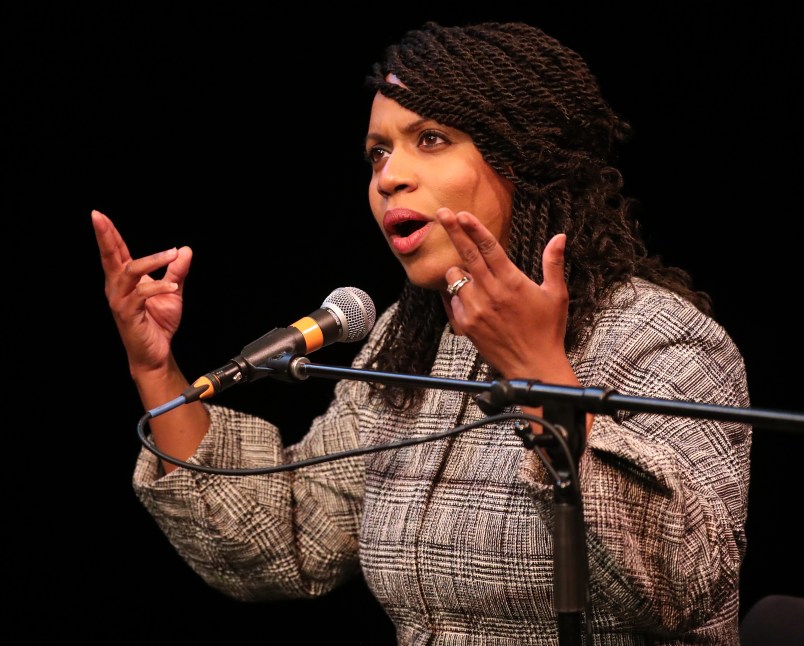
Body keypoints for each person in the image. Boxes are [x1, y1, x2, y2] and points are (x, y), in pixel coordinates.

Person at [92, 20, 751, 645]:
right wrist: (156, 370)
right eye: (378, 152)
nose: (389, 176)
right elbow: (288, 539)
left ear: (521, 157)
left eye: (430, 139)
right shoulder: (412, 344)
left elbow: (686, 583)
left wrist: (541, 376)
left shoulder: (662, 339)